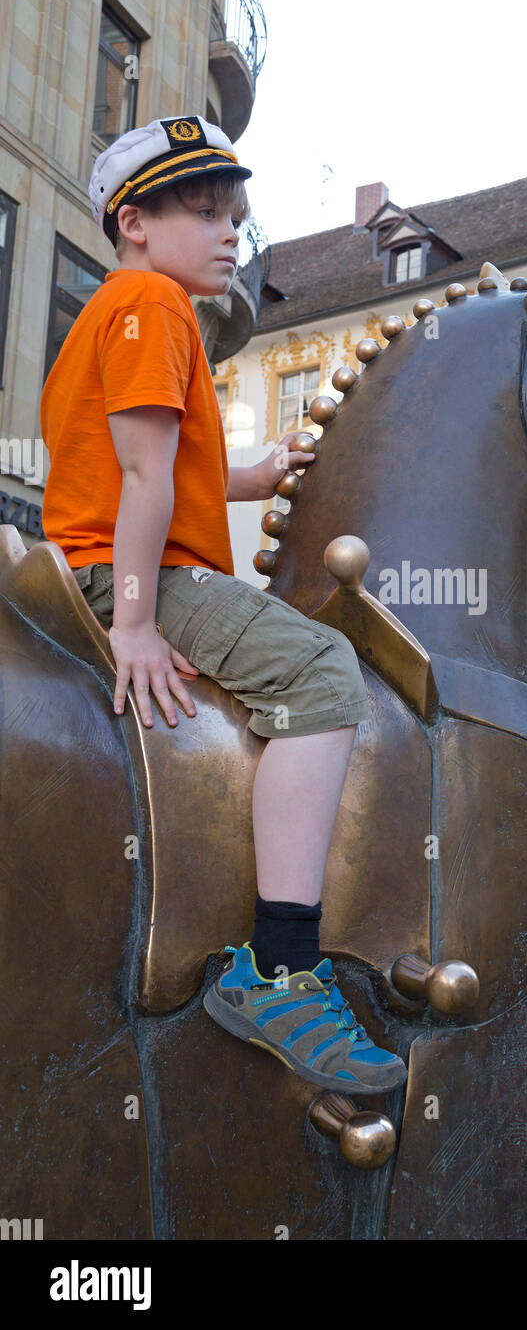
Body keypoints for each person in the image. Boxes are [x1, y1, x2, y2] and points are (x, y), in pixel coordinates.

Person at [39, 114, 407, 1098]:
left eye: (235, 215)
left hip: (119, 558)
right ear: (133, 223)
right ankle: (281, 969)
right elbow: (140, 481)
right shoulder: (152, 304)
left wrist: (259, 468)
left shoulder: (122, 311)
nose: (230, 232)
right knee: (322, 669)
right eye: (202, 212)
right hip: (137, 572)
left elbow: (180, 471)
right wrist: (133, 621)